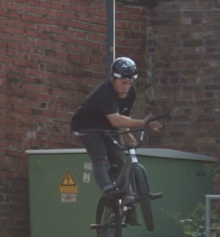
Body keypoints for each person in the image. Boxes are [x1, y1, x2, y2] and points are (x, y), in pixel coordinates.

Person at [70, 56, 164, 227]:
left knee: (119, 159)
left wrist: (128, 134)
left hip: (108, 126)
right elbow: (115, 120)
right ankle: (107, 189)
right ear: (113, 79)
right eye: (123, 83)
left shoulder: (130, 94)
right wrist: (143, 123)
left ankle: (129, 207)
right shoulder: (104, 92)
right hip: (87, 126)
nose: (126, 87)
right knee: (101, 157)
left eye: (130, 83)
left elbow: (123, 116)